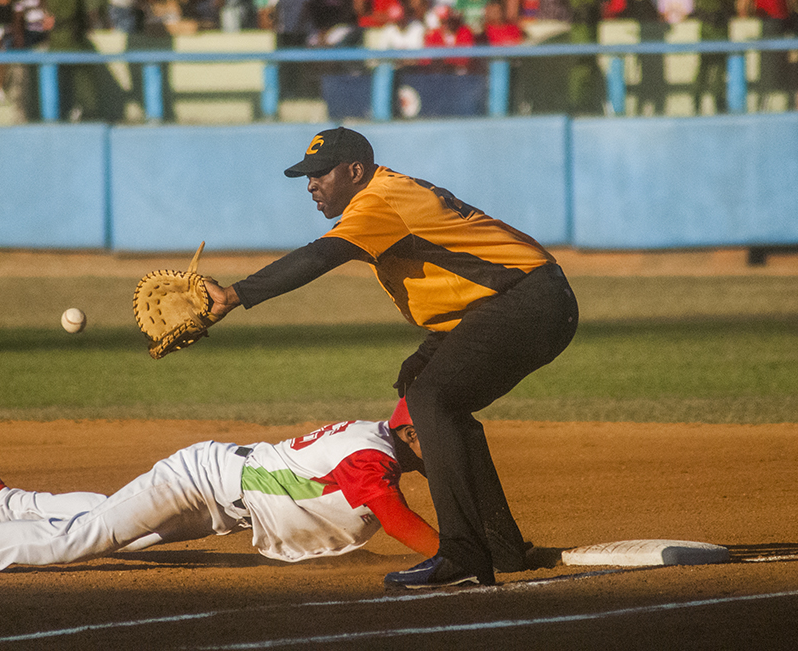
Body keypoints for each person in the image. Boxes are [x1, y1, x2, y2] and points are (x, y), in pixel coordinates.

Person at [201, 127, 579, 588]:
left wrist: (233, 295)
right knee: (420, 382)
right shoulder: (384, 195)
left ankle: (462, 553)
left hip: (527, 300)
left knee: (435, 399)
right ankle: (502, 549)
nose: (311, 184)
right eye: (307, 175)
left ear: (354, 171)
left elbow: (320, 256)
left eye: (321, 173)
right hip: (504, 303)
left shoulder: (379, 201)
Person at [0, 400, 438, 580]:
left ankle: (2, 503)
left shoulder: (376, 439)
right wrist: (451, 554)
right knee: (80, 540)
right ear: (411, 431)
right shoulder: (371, 456)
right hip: (197, 482)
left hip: (219, 502)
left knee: (111, 526)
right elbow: (391, 515)